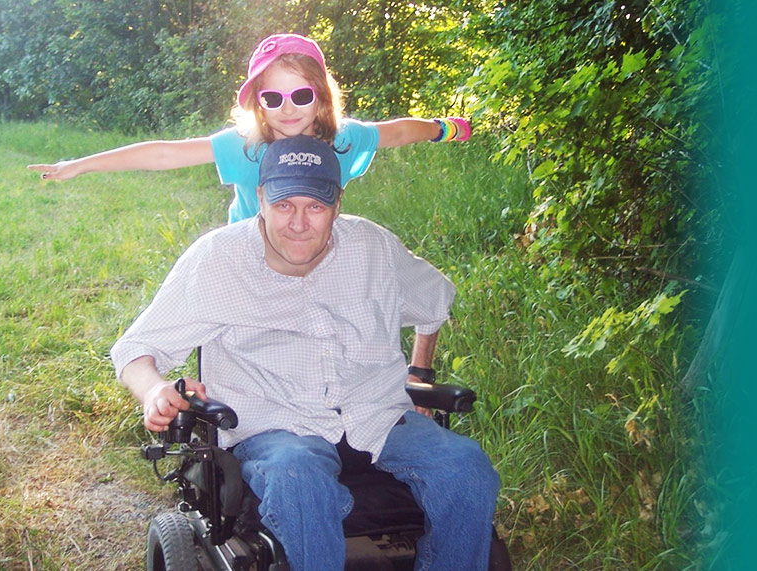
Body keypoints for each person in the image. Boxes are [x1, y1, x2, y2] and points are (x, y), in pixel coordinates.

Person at [110, 135, 499, 570]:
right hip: (277, 426)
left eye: (315, 206)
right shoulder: (217, 260)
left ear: (337, 203)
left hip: (378, 415)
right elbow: (136, 347)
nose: (298, 223)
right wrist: (154, 390)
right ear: (260, 198)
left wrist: (419, 372)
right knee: (300, 479)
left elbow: (435, 300)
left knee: (466, 466)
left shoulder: (373, 247)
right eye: (284, 206)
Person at [27, 33, 471, 224]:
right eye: (272, 98)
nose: (288, 108)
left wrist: (443, 128)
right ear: (257, 103)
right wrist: (79, 165)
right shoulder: (246, 147)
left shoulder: (344, 139)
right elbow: (165, 153)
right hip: (246, 250)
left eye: (301, 95)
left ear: (321, 96)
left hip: (312, 243)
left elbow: (395, 131)